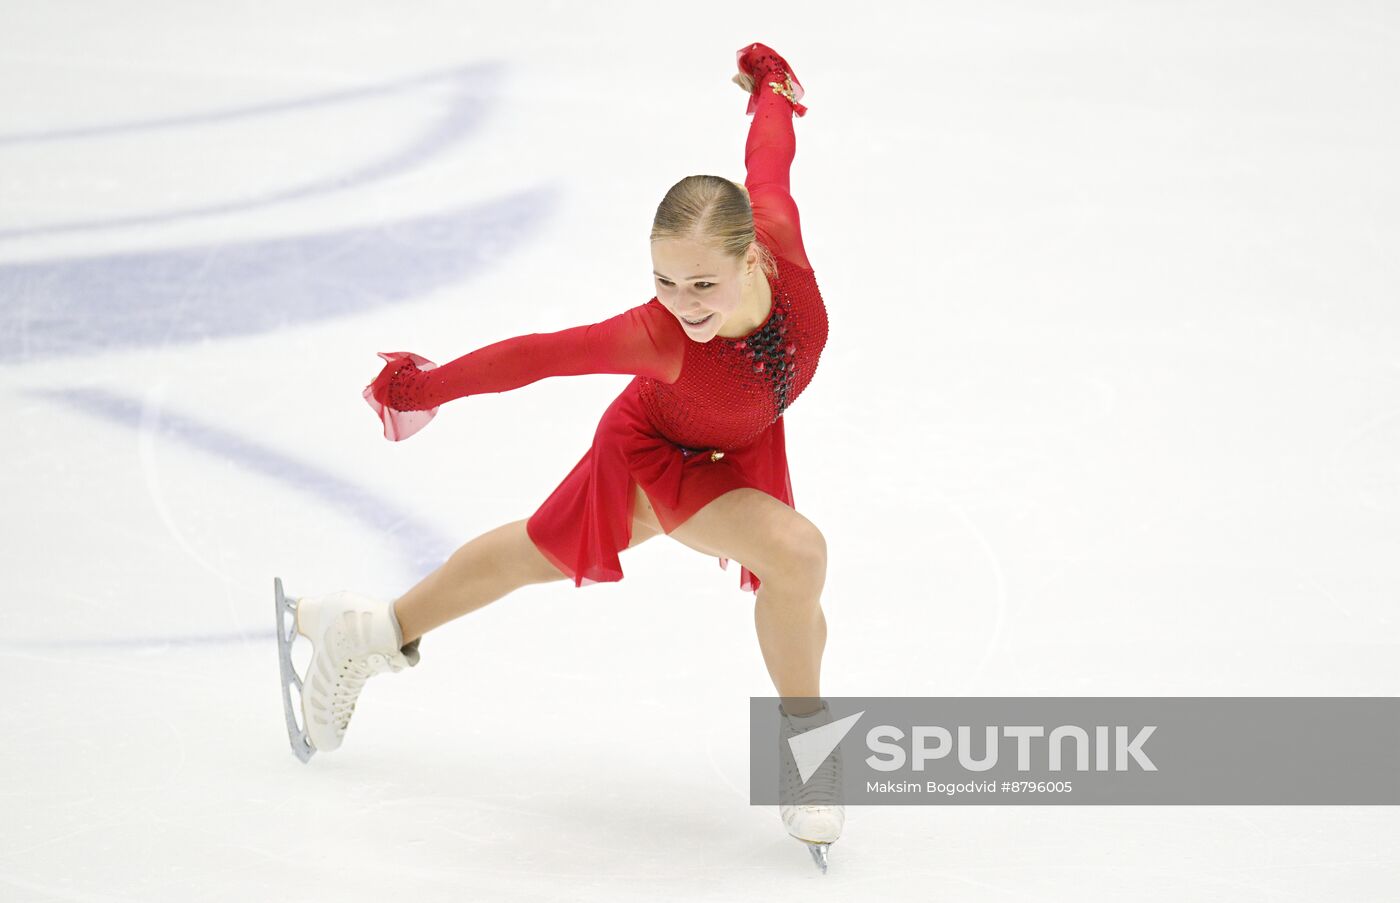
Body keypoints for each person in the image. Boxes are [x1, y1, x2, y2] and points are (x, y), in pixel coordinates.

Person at [279, 42, 843, 869]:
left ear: (751, 255)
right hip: (660, 450)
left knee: (531, 554)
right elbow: (536, 355)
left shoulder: (780, 237)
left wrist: (770, 89)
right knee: (797, 552)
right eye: (664, 282)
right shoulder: (655, 337)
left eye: (702, 285)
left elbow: (769, 153)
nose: (682, 305)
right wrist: (426, 387)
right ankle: (811, 758)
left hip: (737, 441)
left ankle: (364, 630)